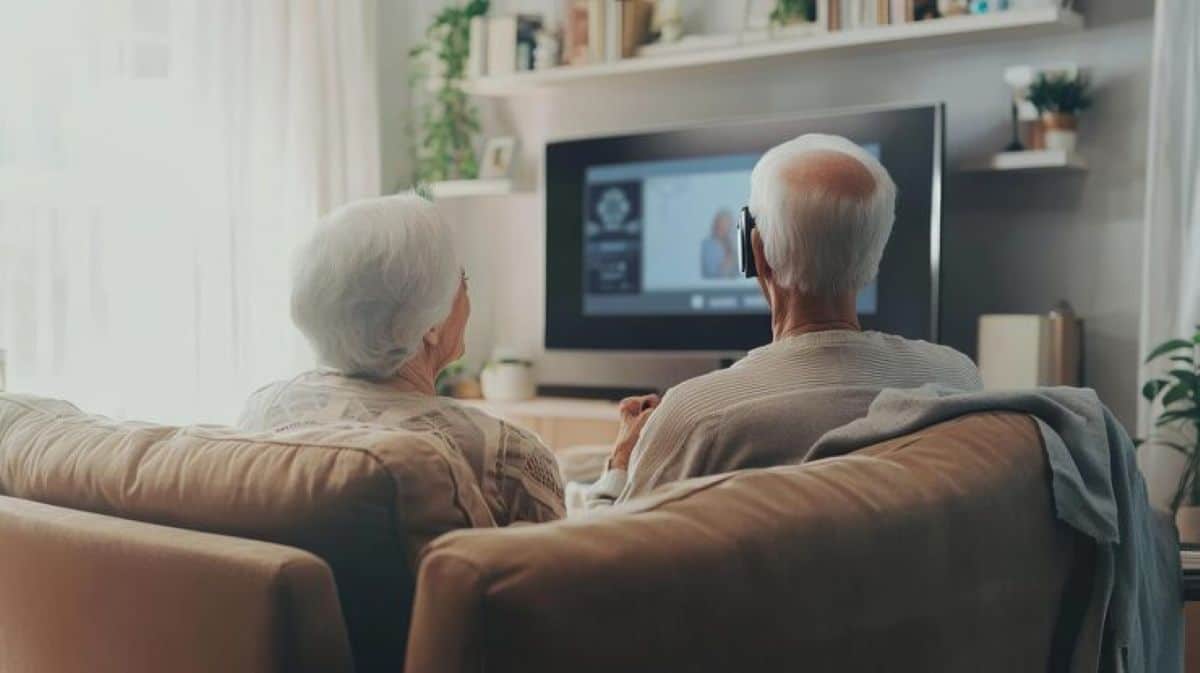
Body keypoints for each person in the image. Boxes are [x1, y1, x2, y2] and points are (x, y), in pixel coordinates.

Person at [586, 134, 984, 508]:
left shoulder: (697, 415)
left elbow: (605, 563)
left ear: (755, 252)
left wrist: (620, 464)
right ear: (874, 255)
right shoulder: (956, 381)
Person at [239, 193, 565, 524]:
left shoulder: (262, 415)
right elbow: (574, 572)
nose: (467, 295)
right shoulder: (508, 458)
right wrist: (613, 482)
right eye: (462, 281)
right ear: (432, 326)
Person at [700, 209, 738, 279]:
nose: (724, 227)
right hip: (714, 287)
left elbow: (738, 273)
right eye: (721, 224)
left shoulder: (731, 244)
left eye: (727, 225)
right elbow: (716, 274)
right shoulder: (708, 245)